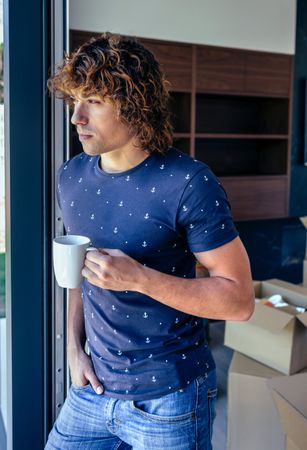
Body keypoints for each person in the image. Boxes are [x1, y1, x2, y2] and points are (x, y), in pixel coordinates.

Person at [45, 32, 254, 450]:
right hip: (92, 388)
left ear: (135, 105)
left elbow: (239, 300)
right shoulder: (71, 176)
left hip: (170, 398)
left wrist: (139, 278)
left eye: (95, 101)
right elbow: (79, 278)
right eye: (74, 101)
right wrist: (73, 348)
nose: (76, 118)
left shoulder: (188, 182)